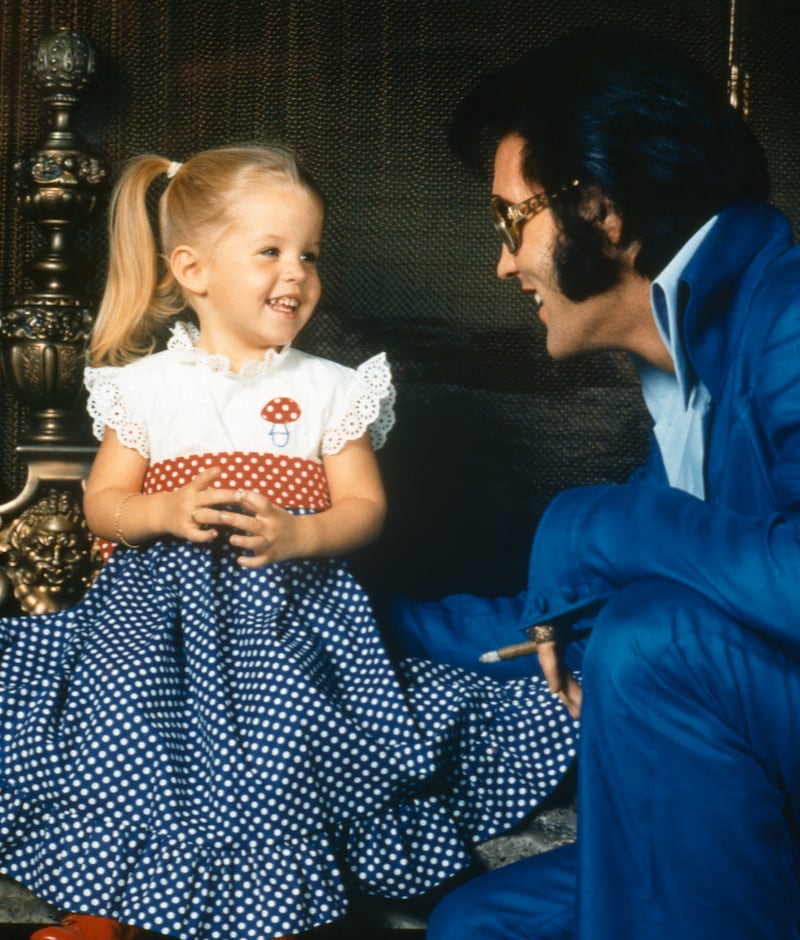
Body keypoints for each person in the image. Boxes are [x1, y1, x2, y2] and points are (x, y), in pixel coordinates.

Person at [0, 143, 579, 940]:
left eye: (310, 252)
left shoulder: (330, 388)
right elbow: (103, 504)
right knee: (116, 720)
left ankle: (278, 903)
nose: (298, 272)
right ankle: (104, 914)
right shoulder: (146, 388)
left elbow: (364, 509)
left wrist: (300, 532)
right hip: (154, 624)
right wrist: (161, 514)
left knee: (289, 743)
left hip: (286, 620)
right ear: (193, 270)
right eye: (270, 251)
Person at [424, 25, 800, 940]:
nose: (504, 264)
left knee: (652, 635)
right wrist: (327, 606)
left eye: (512, 221)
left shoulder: (789, 310)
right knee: (480, 928)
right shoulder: (680, 382)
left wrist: (589, 521)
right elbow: (561, 610)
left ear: (598, 210)